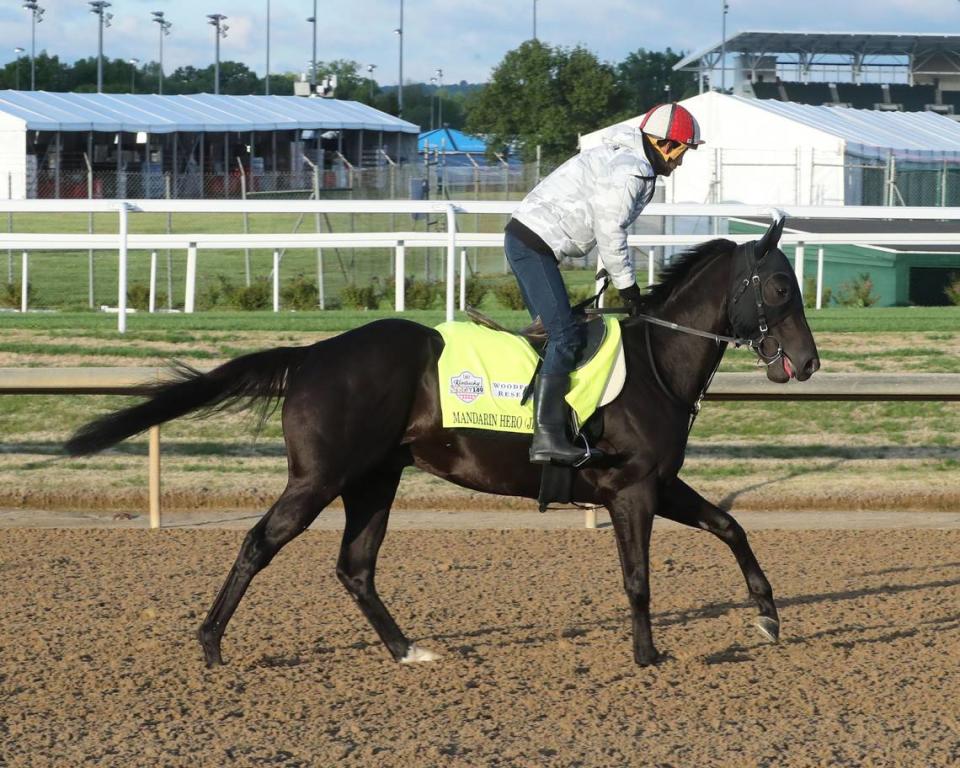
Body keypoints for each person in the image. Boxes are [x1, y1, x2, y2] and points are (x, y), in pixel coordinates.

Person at [505, 102, 704, 466]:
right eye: (680, 151)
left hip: (530, 239)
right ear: (662, 143)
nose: (680, 162)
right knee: (563, 335)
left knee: (555, 336)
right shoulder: (633, 172)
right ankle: (546, 439)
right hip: (532, 244)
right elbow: (610, 233)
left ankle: (544, 425)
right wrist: (629, 291)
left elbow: (604, 227)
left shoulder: (625, 158)